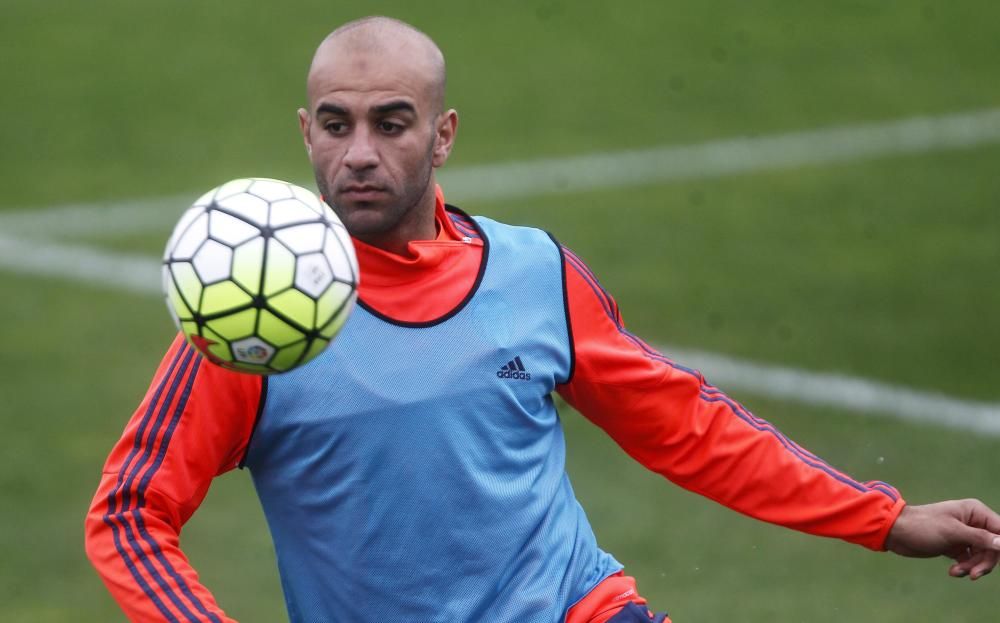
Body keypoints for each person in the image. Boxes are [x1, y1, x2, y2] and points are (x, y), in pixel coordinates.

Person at [85, 16, 1000, 623]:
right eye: (336, 123)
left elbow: (687, 426)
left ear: (443, 135)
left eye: (392, 123)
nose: (359, 152)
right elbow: (129, 513)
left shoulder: (533, 274)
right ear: (305, 132)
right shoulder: (251, 317)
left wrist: (884, 519)